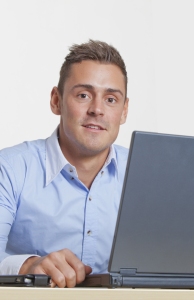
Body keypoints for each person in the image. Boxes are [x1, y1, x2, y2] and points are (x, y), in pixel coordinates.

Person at [0, 40, 129, 287]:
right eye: (83, 95)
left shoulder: (147, 176)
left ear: (124, 111)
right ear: (56, 101)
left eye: (111, 99)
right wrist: (27, 267)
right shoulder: (9, 169)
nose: (97, 110)